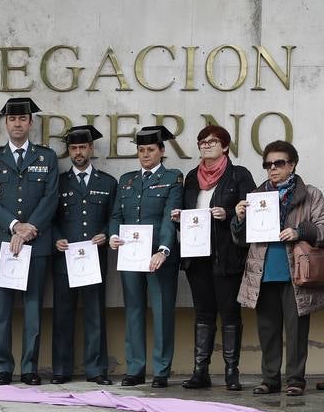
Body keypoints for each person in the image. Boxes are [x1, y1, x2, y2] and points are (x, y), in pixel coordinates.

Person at [232, 139, 324, 396]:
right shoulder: (257, 196)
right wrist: (239, 218)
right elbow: (240, 239)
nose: (273, 169)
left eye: (279, 163)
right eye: (268, 165)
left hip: (296, 272)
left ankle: (295, 380)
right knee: (267, 329)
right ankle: (270, 379)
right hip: (263, 271)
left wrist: (300, 231)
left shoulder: (310, 194)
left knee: (297, 329)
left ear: (293, 164)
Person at [0, 97, 59, 385]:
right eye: (12, 119)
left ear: (30, 123)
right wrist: (15, 226)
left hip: (35, 246)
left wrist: (29, 229)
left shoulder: (46, 157)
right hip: (1, 245)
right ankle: (3, 367)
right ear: (5, 123)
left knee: (33, 309)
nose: (17, 123)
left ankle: (29, 367)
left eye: (22, 119)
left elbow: (51, 198)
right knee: (2, 312)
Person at [173, 124, 256, 390]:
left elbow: (252, 212)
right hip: (197, 257)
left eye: (212, 141)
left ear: (225, 146)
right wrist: (179, 219)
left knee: (230, 314)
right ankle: (201, 371)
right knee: (203, 314)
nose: (206, 145)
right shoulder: (190, 177)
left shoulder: (239, 175)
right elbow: (189, 214)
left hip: (227, 255)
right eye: (202, 142)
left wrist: (229, 214)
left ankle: (232, 372)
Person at [107, 125, 182, 387]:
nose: (145, 155)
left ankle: (161, 371)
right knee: (134, 311)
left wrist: (163, 250)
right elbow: (117, 214)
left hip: (158, 257)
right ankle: (135, 368)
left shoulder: (173, 178)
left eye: (150, 150)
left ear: (162, 151)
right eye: (141, 150)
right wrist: (113, 236)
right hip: (130, 256)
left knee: (162, 313)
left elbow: (169, 217)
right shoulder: (127, 180)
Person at [49, 124, 116, 385]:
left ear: (91, 149)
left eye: (82, 147)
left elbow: (116, 216)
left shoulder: (107, 182)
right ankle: (61, 370)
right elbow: (49, 218)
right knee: (62, 316)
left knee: (95, 315)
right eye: (74, 148)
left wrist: (106, 233)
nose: (78, 152)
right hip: (65, 260)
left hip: (94, 260)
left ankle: (96, 370)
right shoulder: (58, 182)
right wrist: (56, 239)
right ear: (69, 151)